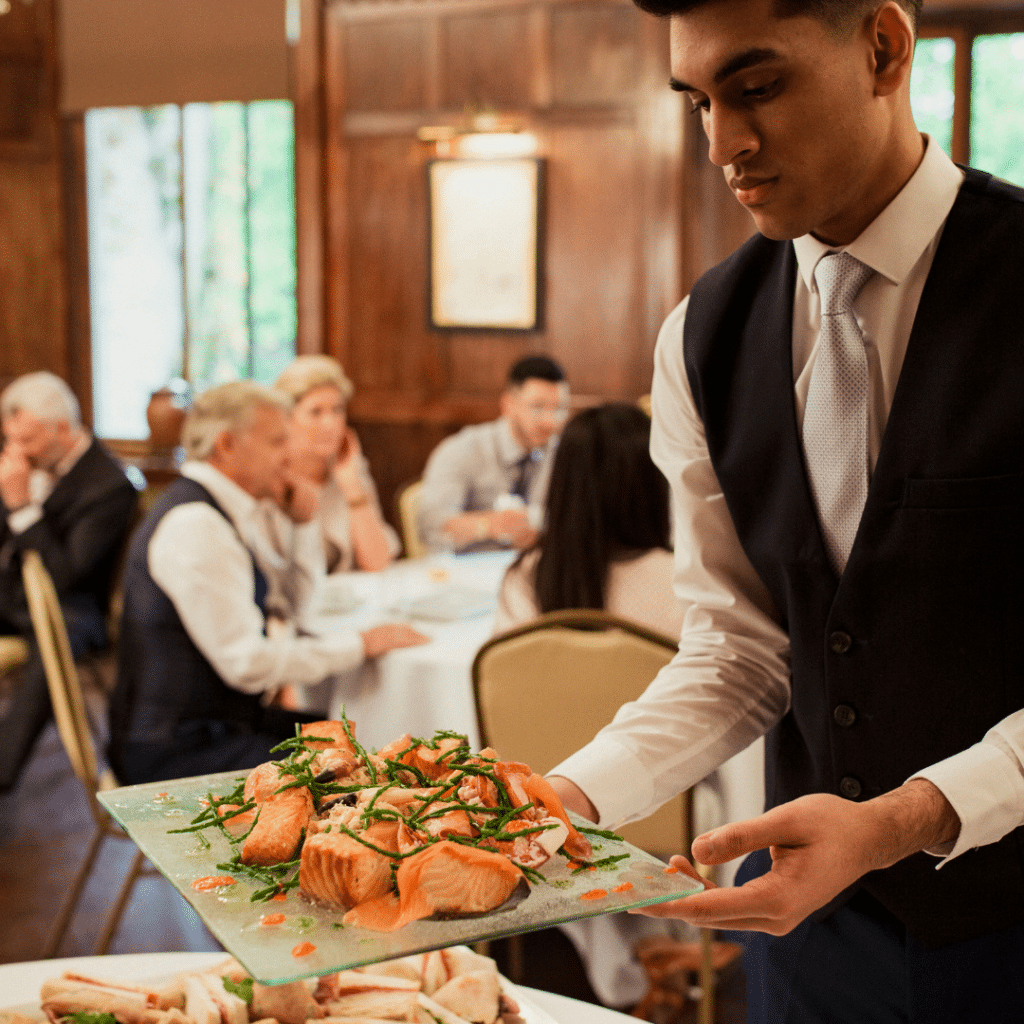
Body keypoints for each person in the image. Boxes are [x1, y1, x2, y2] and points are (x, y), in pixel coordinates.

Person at [545, 1, 1024, 1021]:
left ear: (882, 49)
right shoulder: (700, 335)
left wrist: (905, 818)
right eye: (696, 101)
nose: (721, 144)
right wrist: (573, 796)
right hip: (809, 938)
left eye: (755, 87)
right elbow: (742, 647)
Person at [108, 380, 427, 785]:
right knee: (365, 771)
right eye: (278, 441)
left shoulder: (227, 509)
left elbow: (297, 608)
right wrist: (361, 645)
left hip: (218, 726)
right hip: (176, 752)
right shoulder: (197, 524)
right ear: (226, 445)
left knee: (363, 742)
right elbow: (248, 665)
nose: (289, 455)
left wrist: (303, 523)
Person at [0, 371, 138, 792]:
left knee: (53, 637)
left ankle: (2, 772)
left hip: (76, 607)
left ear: (62, 429)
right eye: (10, 440)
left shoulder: (110, 484)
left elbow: (67, 575)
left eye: (27, 441)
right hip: (11, 594)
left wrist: (22, 506)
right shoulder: (25, 463)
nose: (15, 452)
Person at [494, 402, 681, 639]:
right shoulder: (685, 587)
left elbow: (502, 671)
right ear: (653, 485)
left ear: (564, 484)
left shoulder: (527, 578)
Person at [417, 355, 570, 552]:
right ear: (508, 405)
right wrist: (488, 525)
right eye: (538, 407)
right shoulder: (463, 449)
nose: (551, 422)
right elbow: (430, 526)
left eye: (559, 409)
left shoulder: (564, 453)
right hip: (470, 572)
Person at [273, 355, 400, 576]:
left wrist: (352, 485)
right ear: (287, 418)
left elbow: (378, 563)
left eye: (337, 410)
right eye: (316, 412)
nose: (330, 423)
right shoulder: (273, 475)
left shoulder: (349, 467)